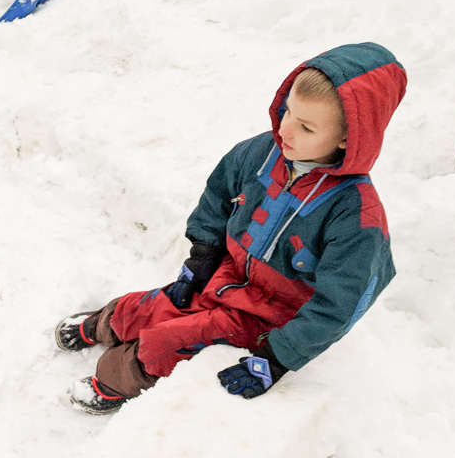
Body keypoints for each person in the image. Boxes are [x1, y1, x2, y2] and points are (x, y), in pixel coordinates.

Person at [55, 42, 407, 414]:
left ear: (348, 137)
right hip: (224, 275)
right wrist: (203, 255)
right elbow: (218, 197)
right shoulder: (260, 153)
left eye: (306, 127)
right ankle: (102, 324)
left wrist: (278, 358)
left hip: (266, 315)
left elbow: (340, 305)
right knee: (149, 307)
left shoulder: (356, 216)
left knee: (170, 342)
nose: (285, 129)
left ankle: (113, 382)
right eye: (288, 111)